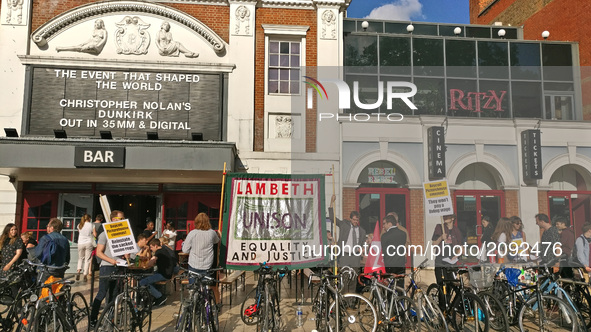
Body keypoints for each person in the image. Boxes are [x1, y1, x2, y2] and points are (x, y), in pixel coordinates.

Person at [89, 210, 126, 328]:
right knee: (102, 293)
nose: (123, 221)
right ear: (114, 220)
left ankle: (111, 318)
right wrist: (112, 261)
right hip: (107, 267)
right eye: (121, 219)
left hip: (119, 267)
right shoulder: (104, 234)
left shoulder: (122, 235)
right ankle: (93, 319)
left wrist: (127, 255)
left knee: (114, 294)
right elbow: (98, 253)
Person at [182, 213, 221, 303]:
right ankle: (205, 307)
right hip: (207, 265)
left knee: (193, 289)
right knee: (205, 289)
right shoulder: (211, 233)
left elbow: (185, 250)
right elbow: (217, 241)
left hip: (193, 264)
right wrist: (219, 234)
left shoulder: (192, 233)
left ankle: (194, 307)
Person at [328, 195, 366, 269]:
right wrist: (331, 202)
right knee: (344, 275)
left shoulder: (362, 231)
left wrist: (362, 248)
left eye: (357, 220)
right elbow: (332, 218)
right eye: (354, 220)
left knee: (354, 276)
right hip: (344, 255)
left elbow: (363, 243)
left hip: (355, 256)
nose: (355, 222)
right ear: (350, 219)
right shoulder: (344, 225)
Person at [139, 238, 178, 305]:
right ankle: (153, 297)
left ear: (156, 246)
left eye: (151, 247)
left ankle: (160, 297)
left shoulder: (159, 252)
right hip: (166, 273)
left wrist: (147, 262)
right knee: (146, 277)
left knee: (142, 282)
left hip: (164, 274)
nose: (151, 249)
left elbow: (151, 263)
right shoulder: (163, 250)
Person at [431, 214, 462, 285]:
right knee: (441, 284)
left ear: (452, 218)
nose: (445, 218)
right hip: (440, 260)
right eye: (444, 216)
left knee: (451, 284)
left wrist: (457, 255)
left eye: (447, 216)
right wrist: (441, 237)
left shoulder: (456, 230)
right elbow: (434, 245)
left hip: (451, 261)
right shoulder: (439, 227)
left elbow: (460, 247)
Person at [381, 215, 407, 289]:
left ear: (389, 224)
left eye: (384, 224)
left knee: (390, 288)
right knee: (400, 287)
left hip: (390, 266)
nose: (383, 226)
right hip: (400, 264)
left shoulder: (385, 236)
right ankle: (400, 300)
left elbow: (384, 251)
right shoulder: (403, 234)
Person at [77, 213, 94, 282]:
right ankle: (85, 274)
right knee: (87, 259)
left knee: (80, 258)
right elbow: (95, 234)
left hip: (80, 242)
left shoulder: (79, 225)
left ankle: (78, 271)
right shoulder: (91, 225)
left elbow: (79, 233)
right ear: (89, 219)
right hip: (89, 242)